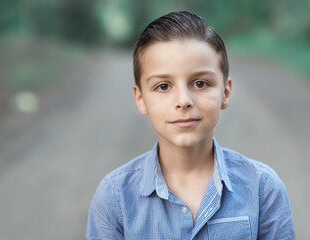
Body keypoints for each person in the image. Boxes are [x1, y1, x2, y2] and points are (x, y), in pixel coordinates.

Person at [86, 11, 295, 240]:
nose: (184, 100)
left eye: (200, 83)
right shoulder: (115, 198)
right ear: (140, 99)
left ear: (225, 92)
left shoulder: (263, 189)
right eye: (163, 86)